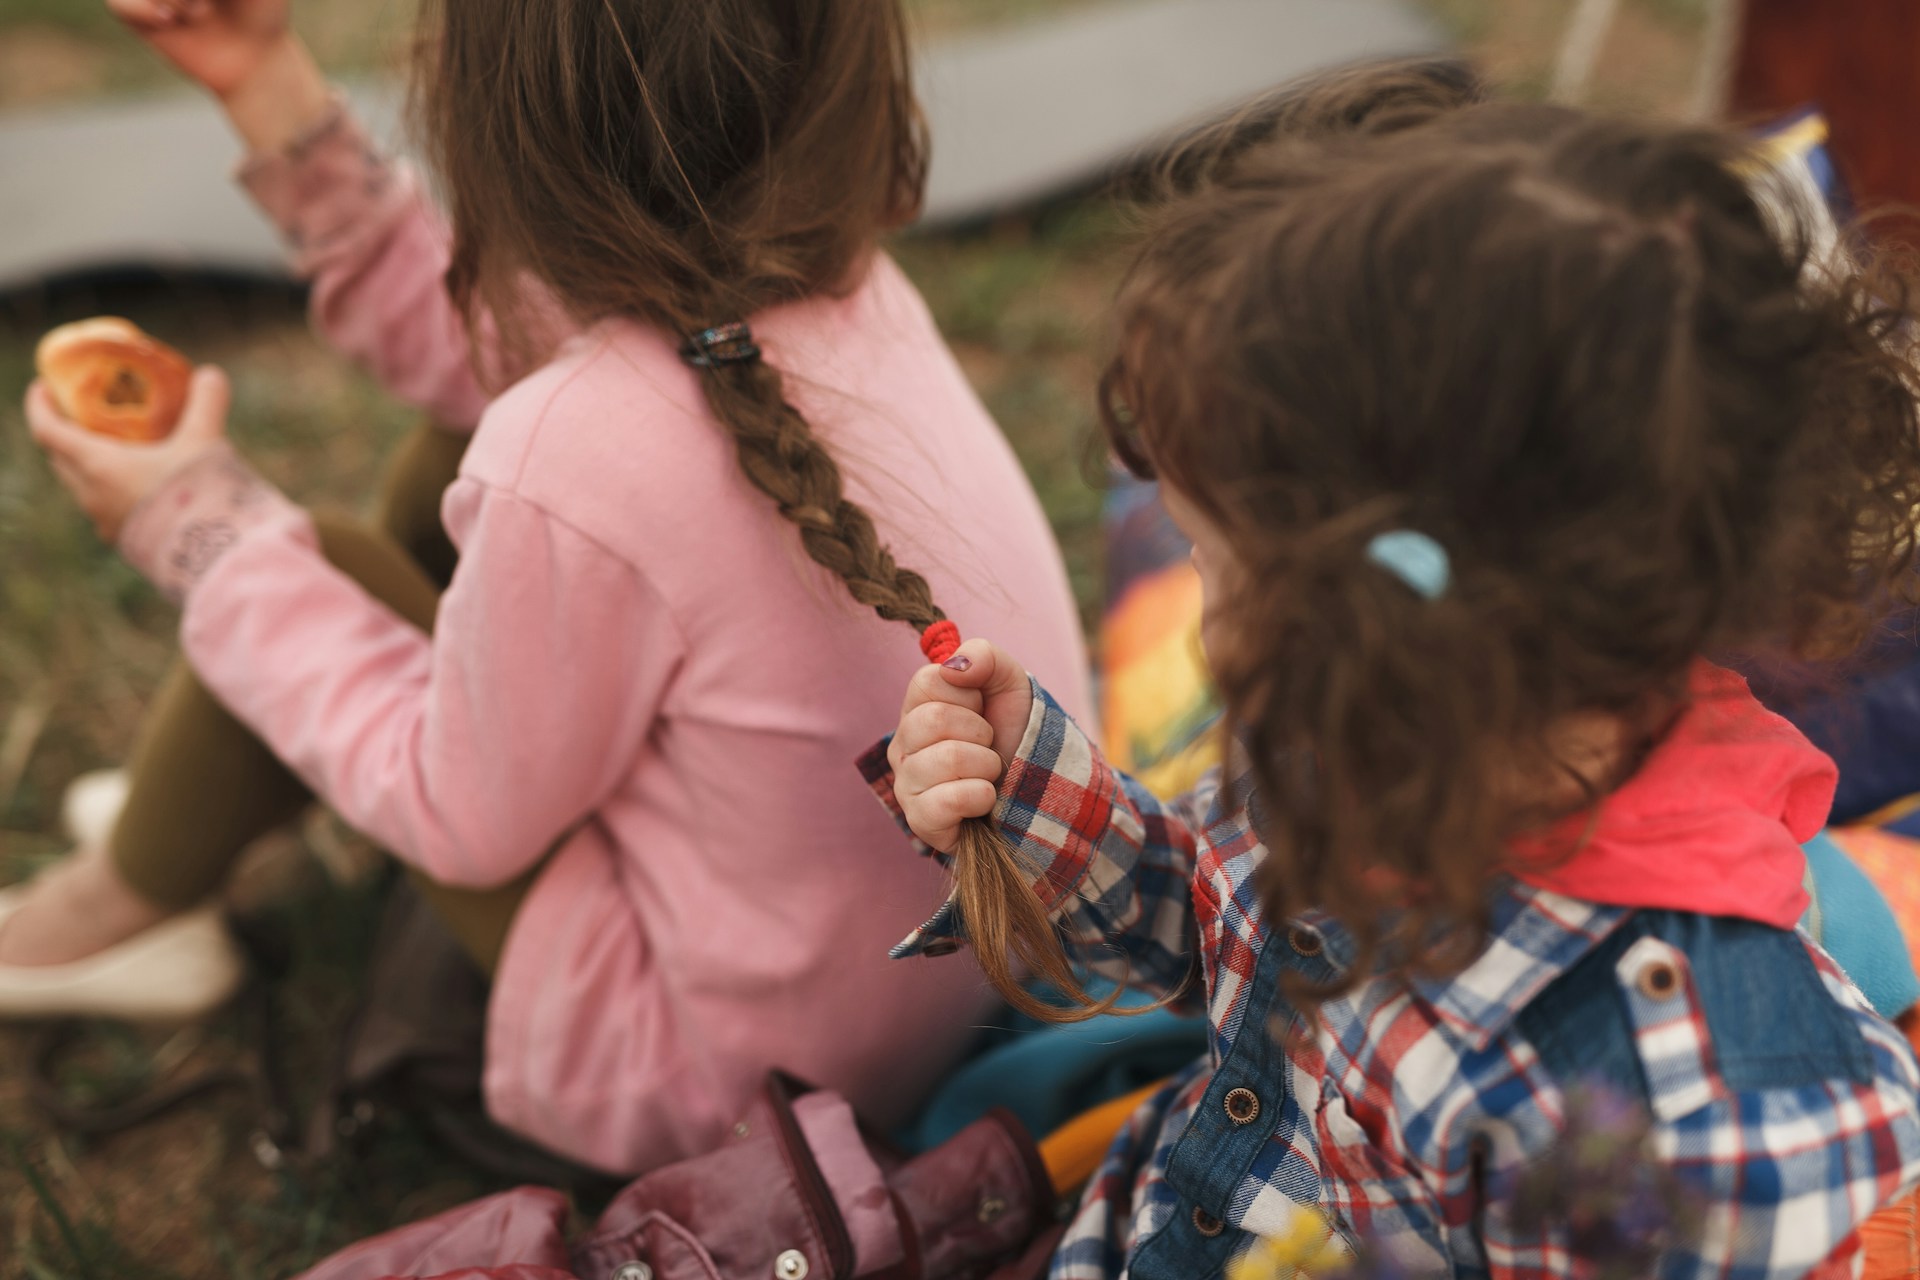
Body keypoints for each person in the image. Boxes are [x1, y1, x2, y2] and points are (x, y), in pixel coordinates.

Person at [13, 0, 1091, 1177]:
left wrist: (197, 524)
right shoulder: (843, 294)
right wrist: (265, 83)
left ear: (485, 121)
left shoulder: (573, 457)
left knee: (316, 575)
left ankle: (112, 909)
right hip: (952, 989)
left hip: (732, 1085)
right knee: (438, 478)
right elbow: (485, 340)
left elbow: (456, 817)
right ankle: (184, 820)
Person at [872, 67, 1920, 1276]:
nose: (1197, 583)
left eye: (1207, 550)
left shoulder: (1673, 1100)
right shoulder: (1360, 727)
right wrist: (1040, 797)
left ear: (1372, 608)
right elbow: (1220, 947)